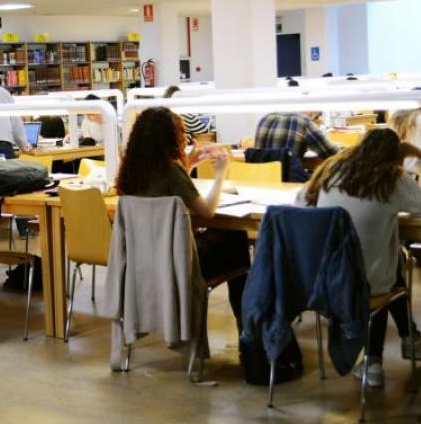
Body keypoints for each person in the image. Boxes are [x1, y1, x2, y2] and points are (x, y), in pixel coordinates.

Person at [300, 128, 421, 387]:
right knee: (381, 269)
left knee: (381, 262)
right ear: (395, 158)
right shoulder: (391, 180)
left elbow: (300, 201)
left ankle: (403, 343)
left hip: (324, 281)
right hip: (366, 284)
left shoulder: (329, 170)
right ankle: (377, 359)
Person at [115, 106, 251, 338]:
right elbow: (207, 211)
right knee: (236, 240)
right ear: (171, 138)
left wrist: (188, 165)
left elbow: (165, 191)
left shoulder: (131, 173)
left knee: (227, 240)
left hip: (143, 260)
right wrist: (220, 174)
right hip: (177, 262)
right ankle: (246, 327)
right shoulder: (171, 171)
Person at [253, 111, 339, 159]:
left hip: (258, 178)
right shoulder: (303, 122)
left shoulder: (266, 117)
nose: (319, 117)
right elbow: (330, 153)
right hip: (287, 180)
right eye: (318, 114)